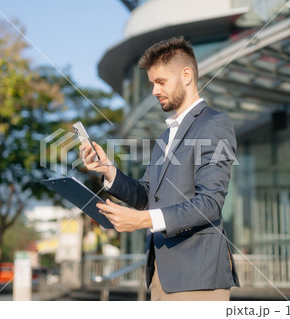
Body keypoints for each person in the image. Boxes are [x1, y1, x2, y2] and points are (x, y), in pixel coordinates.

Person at [80, 36, 239, 300]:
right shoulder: (166, 136)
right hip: (160, 276)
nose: (154, 90)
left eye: (160, 82)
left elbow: (210, 203)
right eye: (152, 83)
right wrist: (108, 170)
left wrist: (143, 220)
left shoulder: (214, 124)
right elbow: (146, 195)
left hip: (197, 278)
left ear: (186, 75)